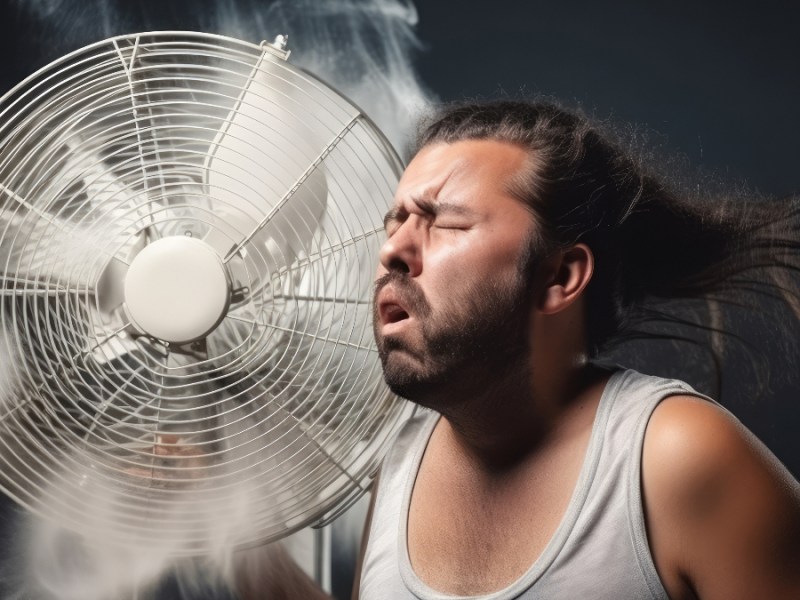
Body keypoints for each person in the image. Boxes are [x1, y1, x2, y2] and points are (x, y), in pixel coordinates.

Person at [240, 100, 800, 599]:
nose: (393, 251)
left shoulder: (676, 457)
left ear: (559, 275)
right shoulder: (400, 463)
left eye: (445, 222)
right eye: (396, 222)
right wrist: (238, 541)